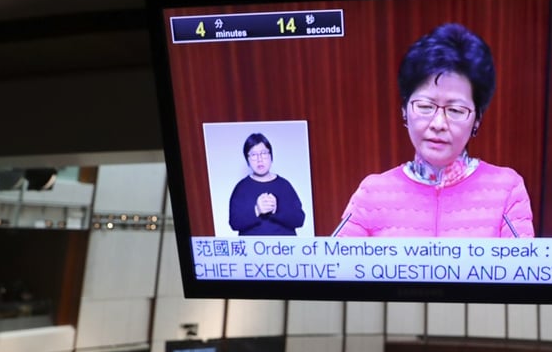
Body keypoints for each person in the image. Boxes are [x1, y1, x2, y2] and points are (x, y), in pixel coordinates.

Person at [335, 23, 534, 238]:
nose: (438, 123)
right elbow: (334, 268)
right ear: (404, 110)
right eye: (425, 107)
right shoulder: (372, 193)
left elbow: (522, 270)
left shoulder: (506, 190)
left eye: (456, 110)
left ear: (477, 119)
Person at [228, 132, 305, 236]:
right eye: (254, 155)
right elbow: (234, 223)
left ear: (271, 156)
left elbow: (299, 220)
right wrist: (256, 210)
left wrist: (277, 210)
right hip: (252, 250)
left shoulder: (284, 185)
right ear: (247, 159)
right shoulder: (241, 188)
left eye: (264, 153)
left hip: (284, 249)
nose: (260, 159)